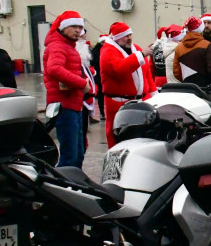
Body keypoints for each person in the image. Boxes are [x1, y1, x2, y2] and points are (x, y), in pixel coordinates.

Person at [43, 10, 90, 168]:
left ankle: (73, 184)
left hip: (73, 104)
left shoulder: (67, 46)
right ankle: (64, 185)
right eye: (74, 26)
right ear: (63, 28)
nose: (78, 30)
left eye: (80, 27)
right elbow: (54, 68)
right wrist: (82, 83)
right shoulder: (58, 46)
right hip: (64, 105)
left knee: (77, 152)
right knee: (70, 154)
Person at [100, 21, 155, 147]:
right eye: (125, 36)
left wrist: (153, 95)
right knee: (118, 138)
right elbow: (119, 69)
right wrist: (141, 55)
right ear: (117, 38)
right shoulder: (107, 51)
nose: (129, 38)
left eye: (130, 35)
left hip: (140, 101)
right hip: (118, 103)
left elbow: (146, 75)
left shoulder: (136, 49)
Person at [174, 16, 211, 86]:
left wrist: (186, 79)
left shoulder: (179, 47)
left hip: (187, 85)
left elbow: (176, 71)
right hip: (204, 87)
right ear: (201, 28)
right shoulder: (206, 45)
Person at [90, 33, 106, 119]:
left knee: (103, 94)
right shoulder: (97, 51)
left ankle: (103, 112)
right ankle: (102, 112)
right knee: (102, 94)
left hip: (102, 75)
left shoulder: (104, 49)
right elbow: (92, 62)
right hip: (100, 75)